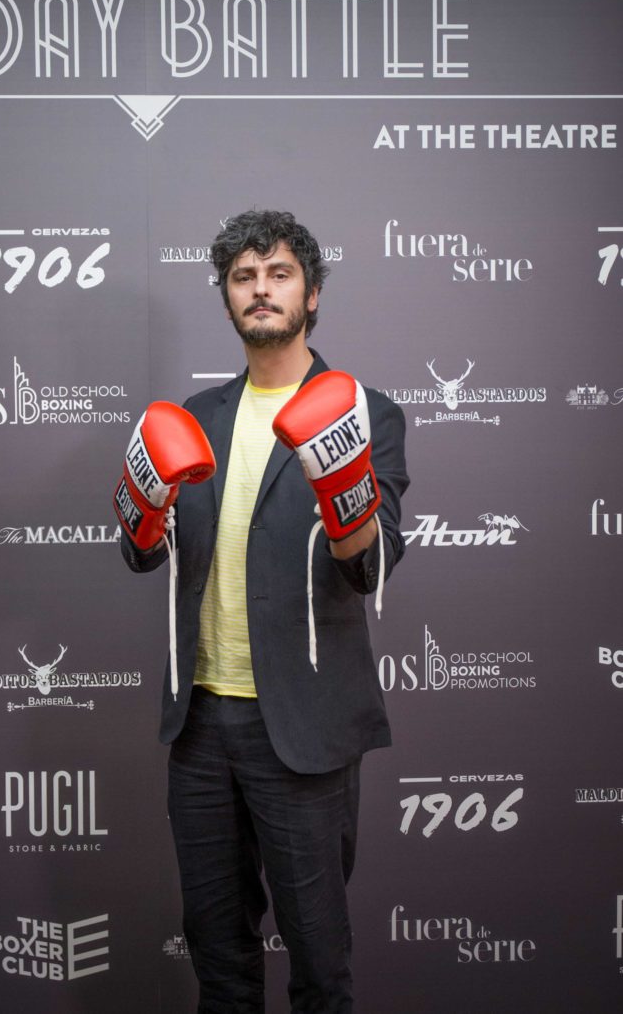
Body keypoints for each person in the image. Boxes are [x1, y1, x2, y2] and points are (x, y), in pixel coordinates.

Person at [115, 210, 409, 1013]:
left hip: (303, 727)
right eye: (244, 277)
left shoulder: (364, 411)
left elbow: (372, 567)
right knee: (219, 959)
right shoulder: (197, 417)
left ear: (311, 294)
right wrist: (140, 509)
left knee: (319, 963)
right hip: (202, 723)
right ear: (228, 299)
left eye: (279, 274)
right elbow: (142, 557)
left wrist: (346, 495)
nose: (260, 289)